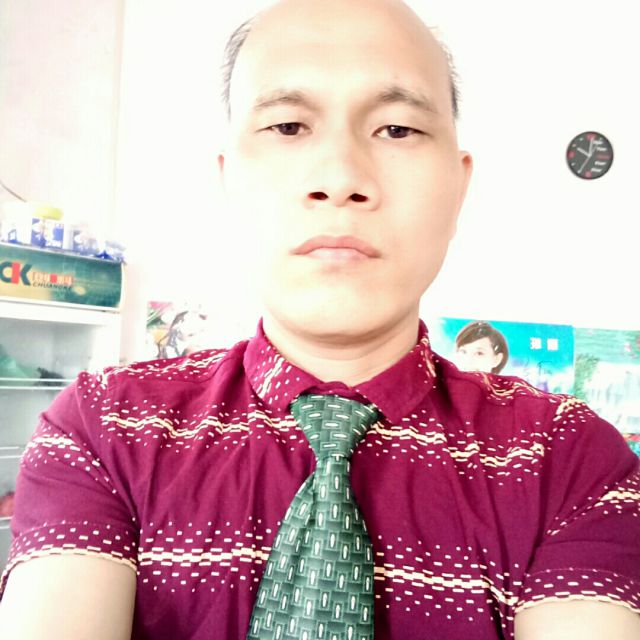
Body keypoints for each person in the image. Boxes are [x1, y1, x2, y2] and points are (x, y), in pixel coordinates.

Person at [1, 0, 639, 638]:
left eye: (396, 129)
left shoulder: (570, 460)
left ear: (458, 186)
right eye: (287, 126)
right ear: (228, 180)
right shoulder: (102, 429)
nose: (339, 178)